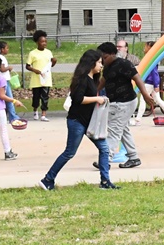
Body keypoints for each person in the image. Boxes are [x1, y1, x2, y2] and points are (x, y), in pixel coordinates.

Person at [38, 50, 116, 191]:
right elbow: (78, 99)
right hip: (77, 121)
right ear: (91, 63)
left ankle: (105, 181)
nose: (101, 65)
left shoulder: (93, 79)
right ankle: (48, 179)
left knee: (104, 149)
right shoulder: (82, 79)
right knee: (69, 152)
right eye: (99, 62)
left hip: (89, 122)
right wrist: (97, 99)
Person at [95, 42, 144, 170]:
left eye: (105, 58)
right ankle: (133, 157)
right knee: (123, 130)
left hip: (125, 102)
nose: (103, 61)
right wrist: (94, 92)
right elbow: (103, 81)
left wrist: (145, 95)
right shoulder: (108, 67)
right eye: (101, 59)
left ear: (113, 54)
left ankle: (105, 160)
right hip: (116, 102)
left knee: (114, 131)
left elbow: (137, 78)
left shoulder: (124, 64)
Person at [26, 30, 56, 121]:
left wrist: (54, 62)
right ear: (37, 42)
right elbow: (27, 66)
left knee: (45, 97)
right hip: (36, 79)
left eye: (45, 41)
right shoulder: (32, 53)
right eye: (42, 41)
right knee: (36, 97)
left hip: (46, 78)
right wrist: (35, 70)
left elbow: (50, 65)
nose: (44, 43)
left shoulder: (48, 52)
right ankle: (35, 110)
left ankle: (43, 114)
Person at [0, 41, 20, 123]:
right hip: (4, 81)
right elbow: (2, 69)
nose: (8, 49)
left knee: (2, 99)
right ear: (2, 49)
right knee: (9, 98)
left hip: (0, 80)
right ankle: (13, 116)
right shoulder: (1, 58)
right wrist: (9, 68)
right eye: (7, 48)